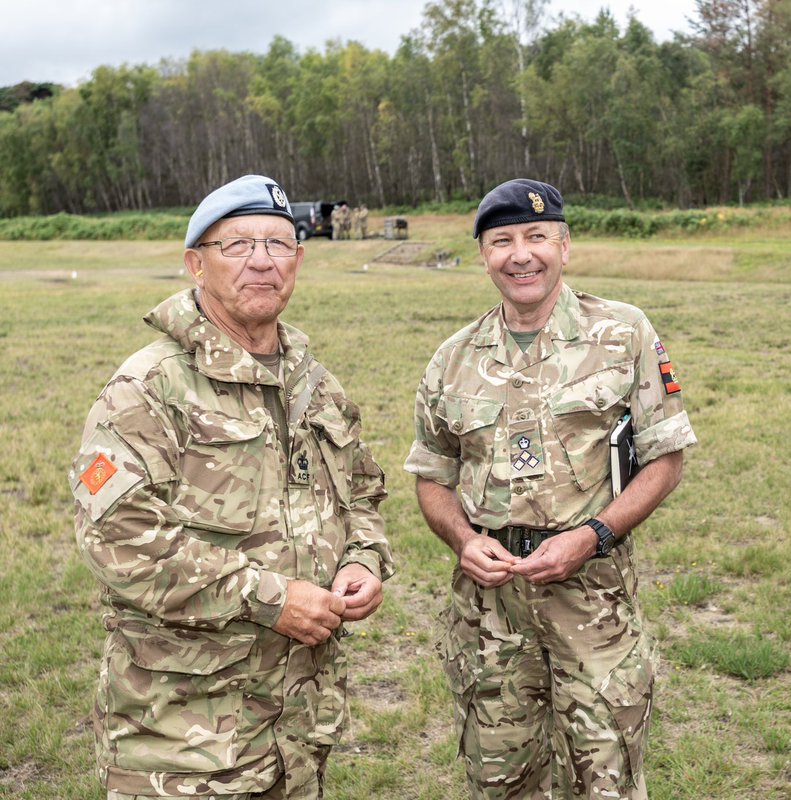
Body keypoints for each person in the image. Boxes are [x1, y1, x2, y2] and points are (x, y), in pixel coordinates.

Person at [70, 174, 394, 799]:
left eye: (278, 245)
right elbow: (119, 540)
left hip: (297, 722)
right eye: (238, 245)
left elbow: (362, 494)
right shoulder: (149, 387)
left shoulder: (314, 385)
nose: (262, 262)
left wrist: (363, 559)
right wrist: (272, 598)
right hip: (185, 735)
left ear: (298, 259)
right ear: (195, 263)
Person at [404, 178, 696, 799]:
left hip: (592, 601)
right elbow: (432, 474)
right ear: (483, 255)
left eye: (537, 237)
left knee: (608, 778)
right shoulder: (453, 358)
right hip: (489, 612)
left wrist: (593, 536)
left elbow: (665, 460)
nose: (521, 254)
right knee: (502, 780)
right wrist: (462, 539)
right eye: (502, 241)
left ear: (565, 246)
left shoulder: (623, 333)